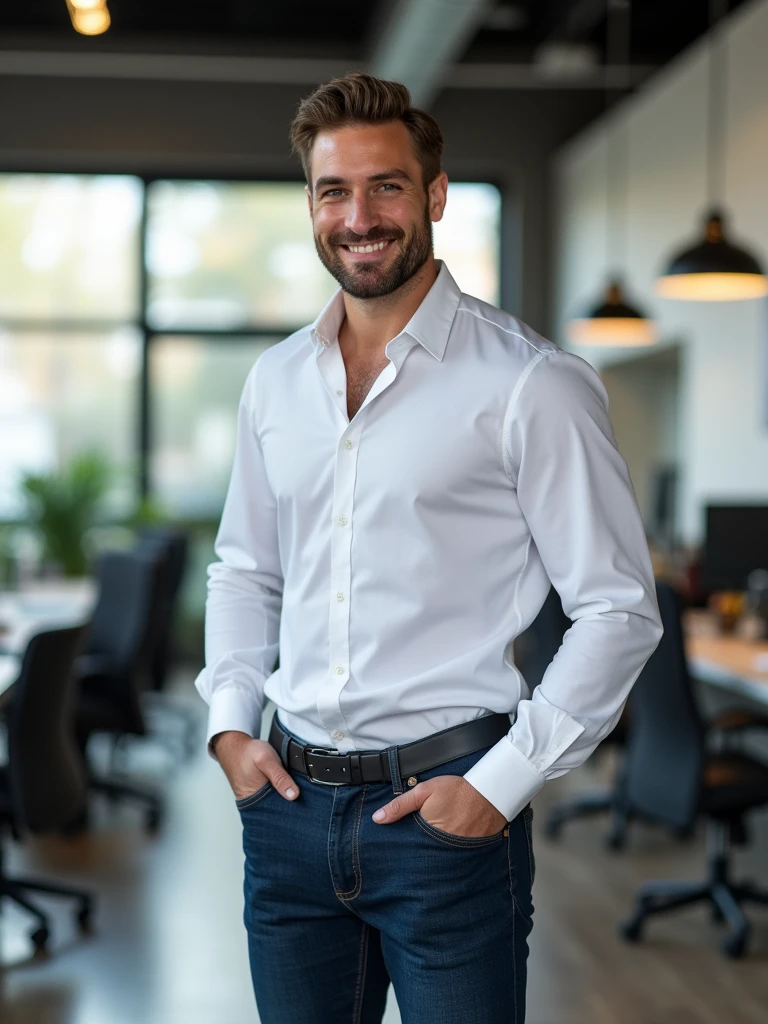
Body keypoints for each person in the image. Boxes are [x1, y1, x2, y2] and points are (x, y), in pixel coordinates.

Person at [195, 71, 663, 1024]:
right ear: (313, 205)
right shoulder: (276, 381)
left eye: (387, 187)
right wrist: (231, 724)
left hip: (446, 820)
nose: (358, 216)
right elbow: (246, 568)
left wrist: (501, 786)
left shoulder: (533, 384)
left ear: (435, 195)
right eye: (334, 191)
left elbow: (618, 610)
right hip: (285, 815)